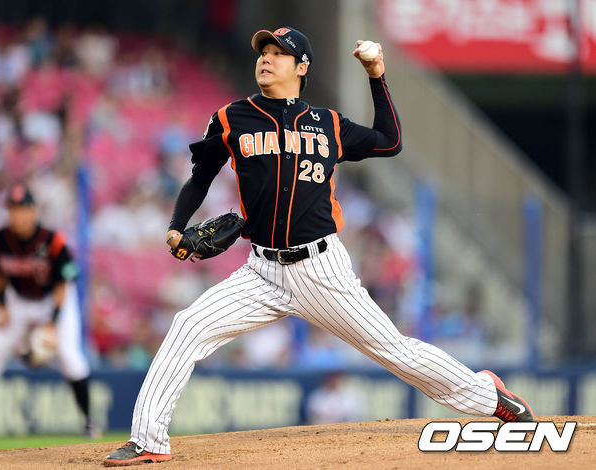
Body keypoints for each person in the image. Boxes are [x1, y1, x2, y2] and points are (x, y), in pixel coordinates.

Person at [105, 26, 533, 466]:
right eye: (263, 51)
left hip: (321, 270)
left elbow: (389, 141)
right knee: (187, 326)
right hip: (261, 272)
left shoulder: (327, 124)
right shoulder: (232, 118)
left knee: (394, 352)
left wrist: (376, 75)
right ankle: (148, 440)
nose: (266, 58)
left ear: (301, 67)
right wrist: (176, 227)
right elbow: (200, 178)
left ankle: (489, 396)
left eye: (278, 53)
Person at [0, 182, 97, 439]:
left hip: (53, 300)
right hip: (18, 301)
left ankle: (89, 422)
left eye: (23, 209)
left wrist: (53, 322)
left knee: (69, 357)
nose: (18, 215)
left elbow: (64, 282)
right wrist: (1, 306)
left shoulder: (52, 240)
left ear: (33, 211)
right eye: (13, 209)